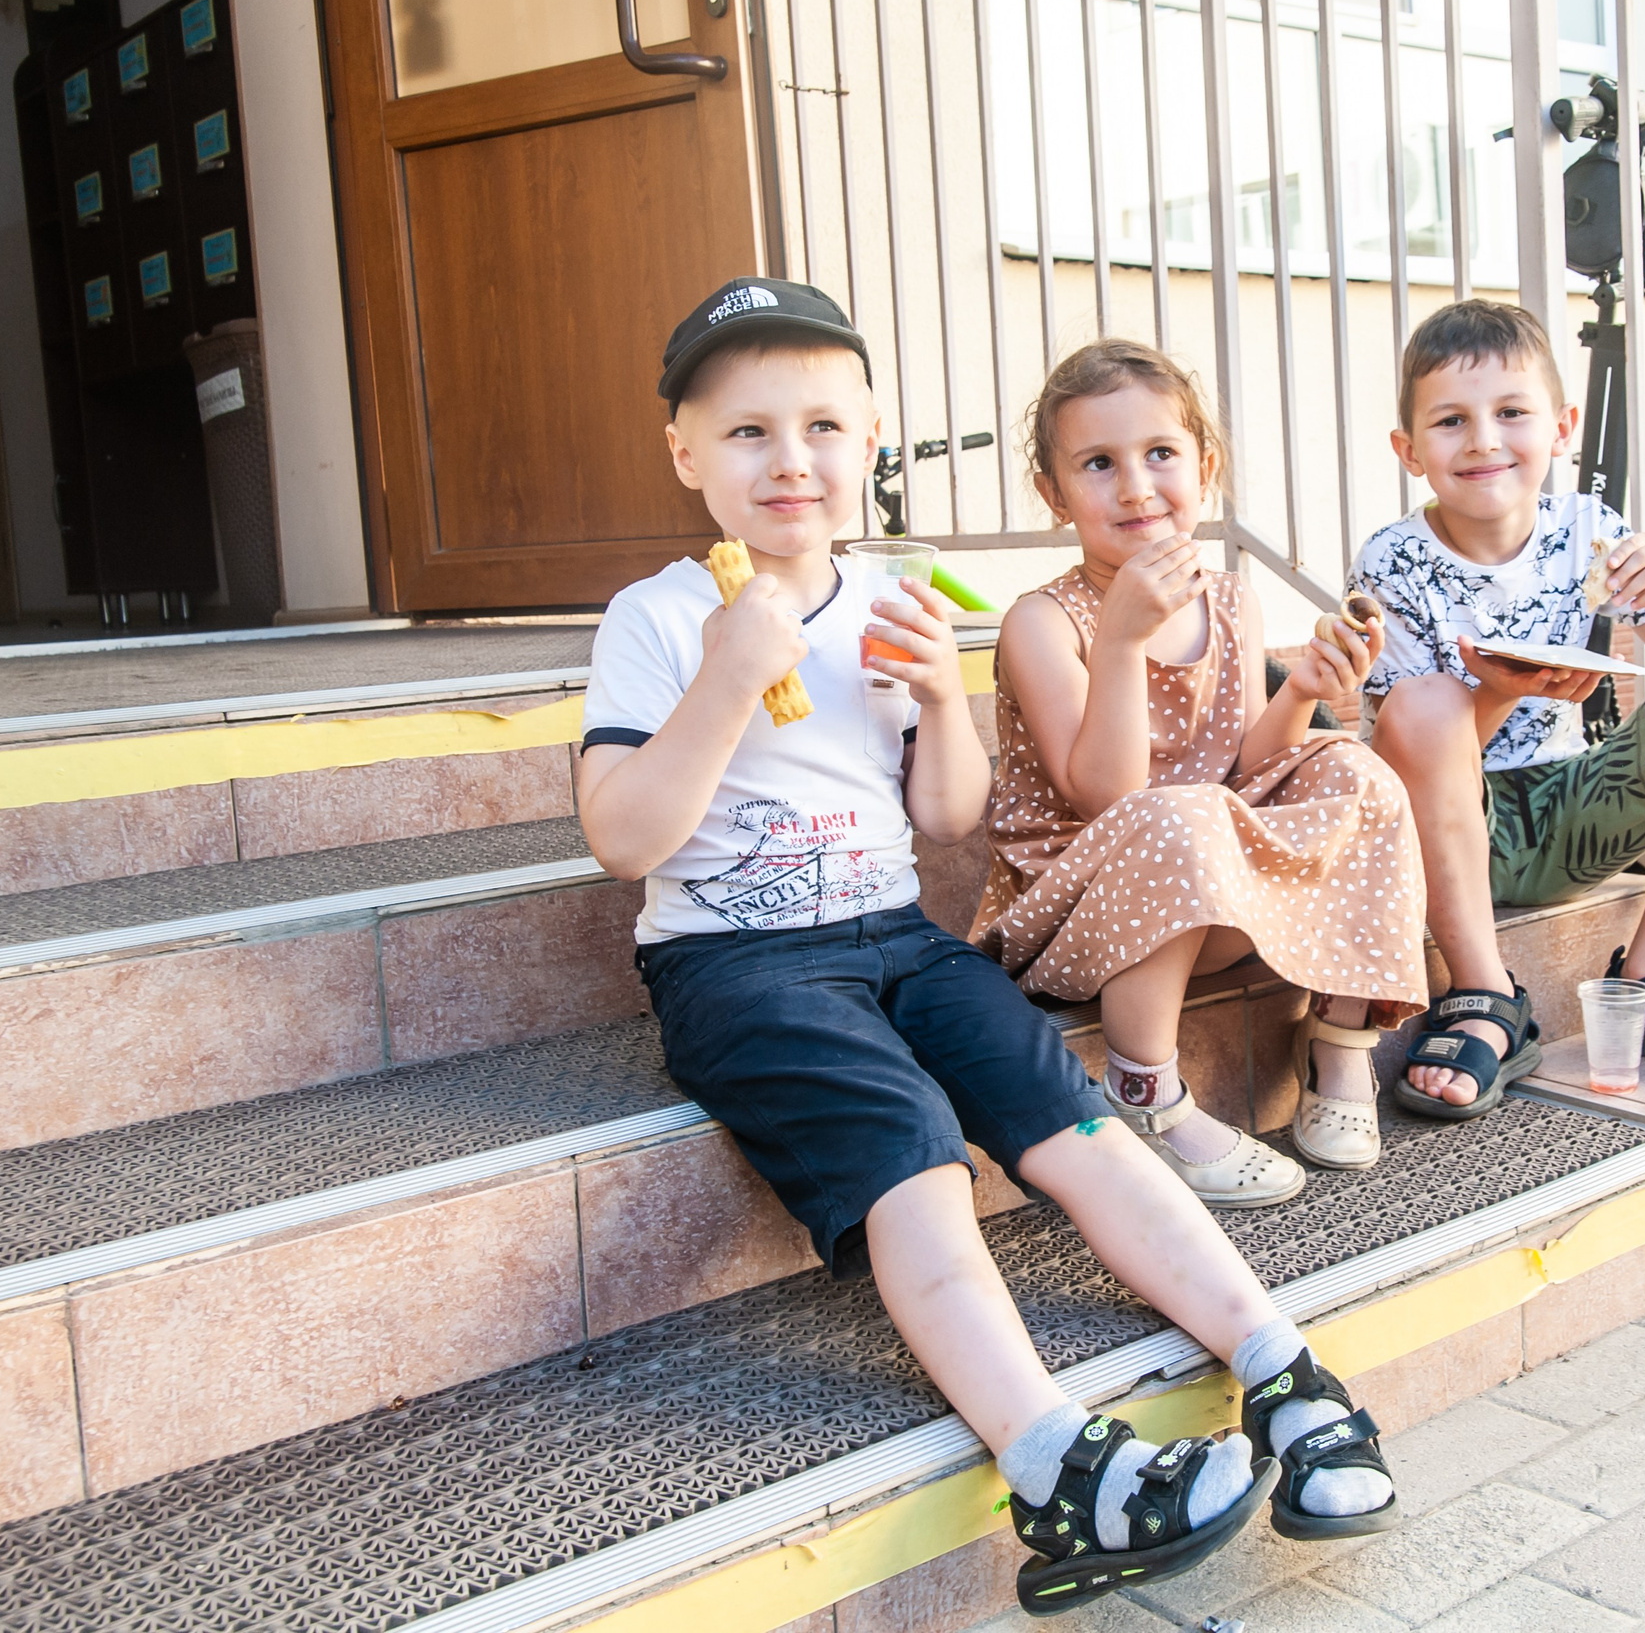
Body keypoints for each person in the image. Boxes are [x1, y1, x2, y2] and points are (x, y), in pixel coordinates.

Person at [577, 281, 1399, 1614]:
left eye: (824, 427)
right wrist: (730, 674)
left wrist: (933, 695)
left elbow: (947, 812)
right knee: (915, 1146)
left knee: (1072, 1117)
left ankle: (1282, 1364)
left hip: (898, 933)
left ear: (869, 441)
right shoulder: (658, 616)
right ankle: (1053, 1462)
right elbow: (623, 837)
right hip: (738, 960)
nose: (791, 460)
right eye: (747, 432)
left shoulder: (887, 597)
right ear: (685, 453)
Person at [975, 339, 1429, 1200]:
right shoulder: (1044, 622)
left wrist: (1302, 690)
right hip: (1074, 914)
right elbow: (1108, 796)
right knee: (1176, 811)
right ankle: (1145, 1095)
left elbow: (1247, 761)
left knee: (1351, 767)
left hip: (1204, 889)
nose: (1135, 487)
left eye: (1159, 453)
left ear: (1205, 469)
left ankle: (1340, 1038)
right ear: (1054, 494)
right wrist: (1121, 639)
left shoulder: (1229, 597)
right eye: (1098, 464)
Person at [1354, 298, 1645, 1116]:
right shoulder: (1395, 560)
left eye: (1512, 412)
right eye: (1451, 420)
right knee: (1424, 704)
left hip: (1573, 808)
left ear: (1562, 428)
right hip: (1449, 828)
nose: (1483, 440)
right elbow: (1411, 750)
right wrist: (1500, 690)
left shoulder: (1587, 530)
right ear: (1409, 450)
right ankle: (1485, 993)